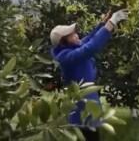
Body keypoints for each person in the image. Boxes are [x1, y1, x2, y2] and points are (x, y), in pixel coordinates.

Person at [50, 9, 128, 141]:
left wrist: (102, 24)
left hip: (89, 101)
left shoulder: (73, 48)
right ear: (64, 42)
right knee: (89, 136)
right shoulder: (67, 57)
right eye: (72, 35)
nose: (77, 36)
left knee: (93, 134)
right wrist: (110, 24)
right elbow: (90, 47)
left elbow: (90, 38)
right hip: (82, 107)